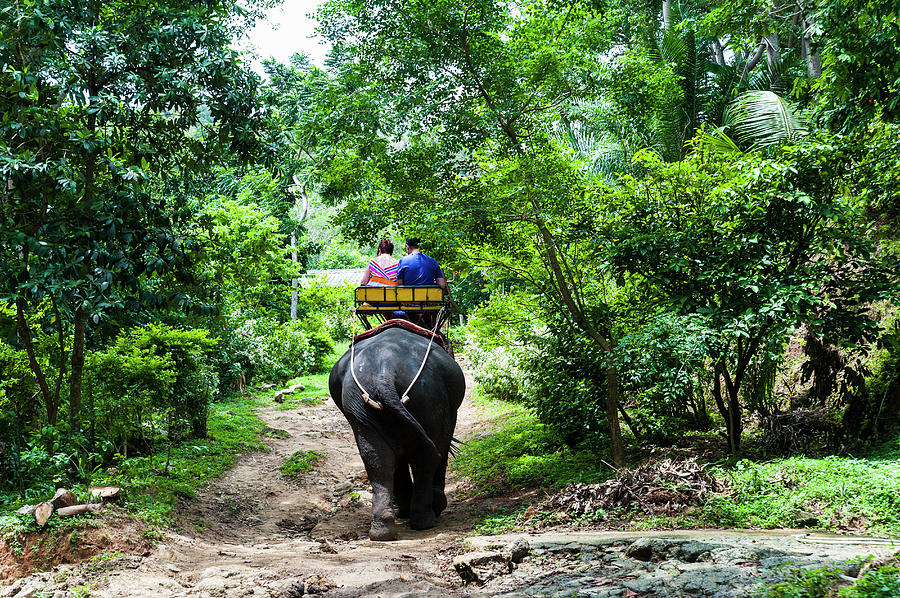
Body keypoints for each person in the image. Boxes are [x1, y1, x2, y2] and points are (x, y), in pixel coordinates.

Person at [397, 238, 450, 328]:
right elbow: (441, 284)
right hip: (428, 302)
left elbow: (399, 285)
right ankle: (431, 327)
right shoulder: (432, 261)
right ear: (419, 246)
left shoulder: (403, 261)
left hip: (409, 303)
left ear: (407, 247)